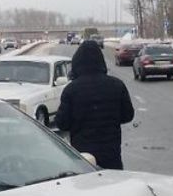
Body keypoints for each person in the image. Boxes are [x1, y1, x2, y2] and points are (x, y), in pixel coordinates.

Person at [56, 40, 135, 169]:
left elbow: (62, 123)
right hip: (111, 153)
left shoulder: (71, 90)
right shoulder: (117, 85)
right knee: (112, 180)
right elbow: (128, 115)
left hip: (83, 155)